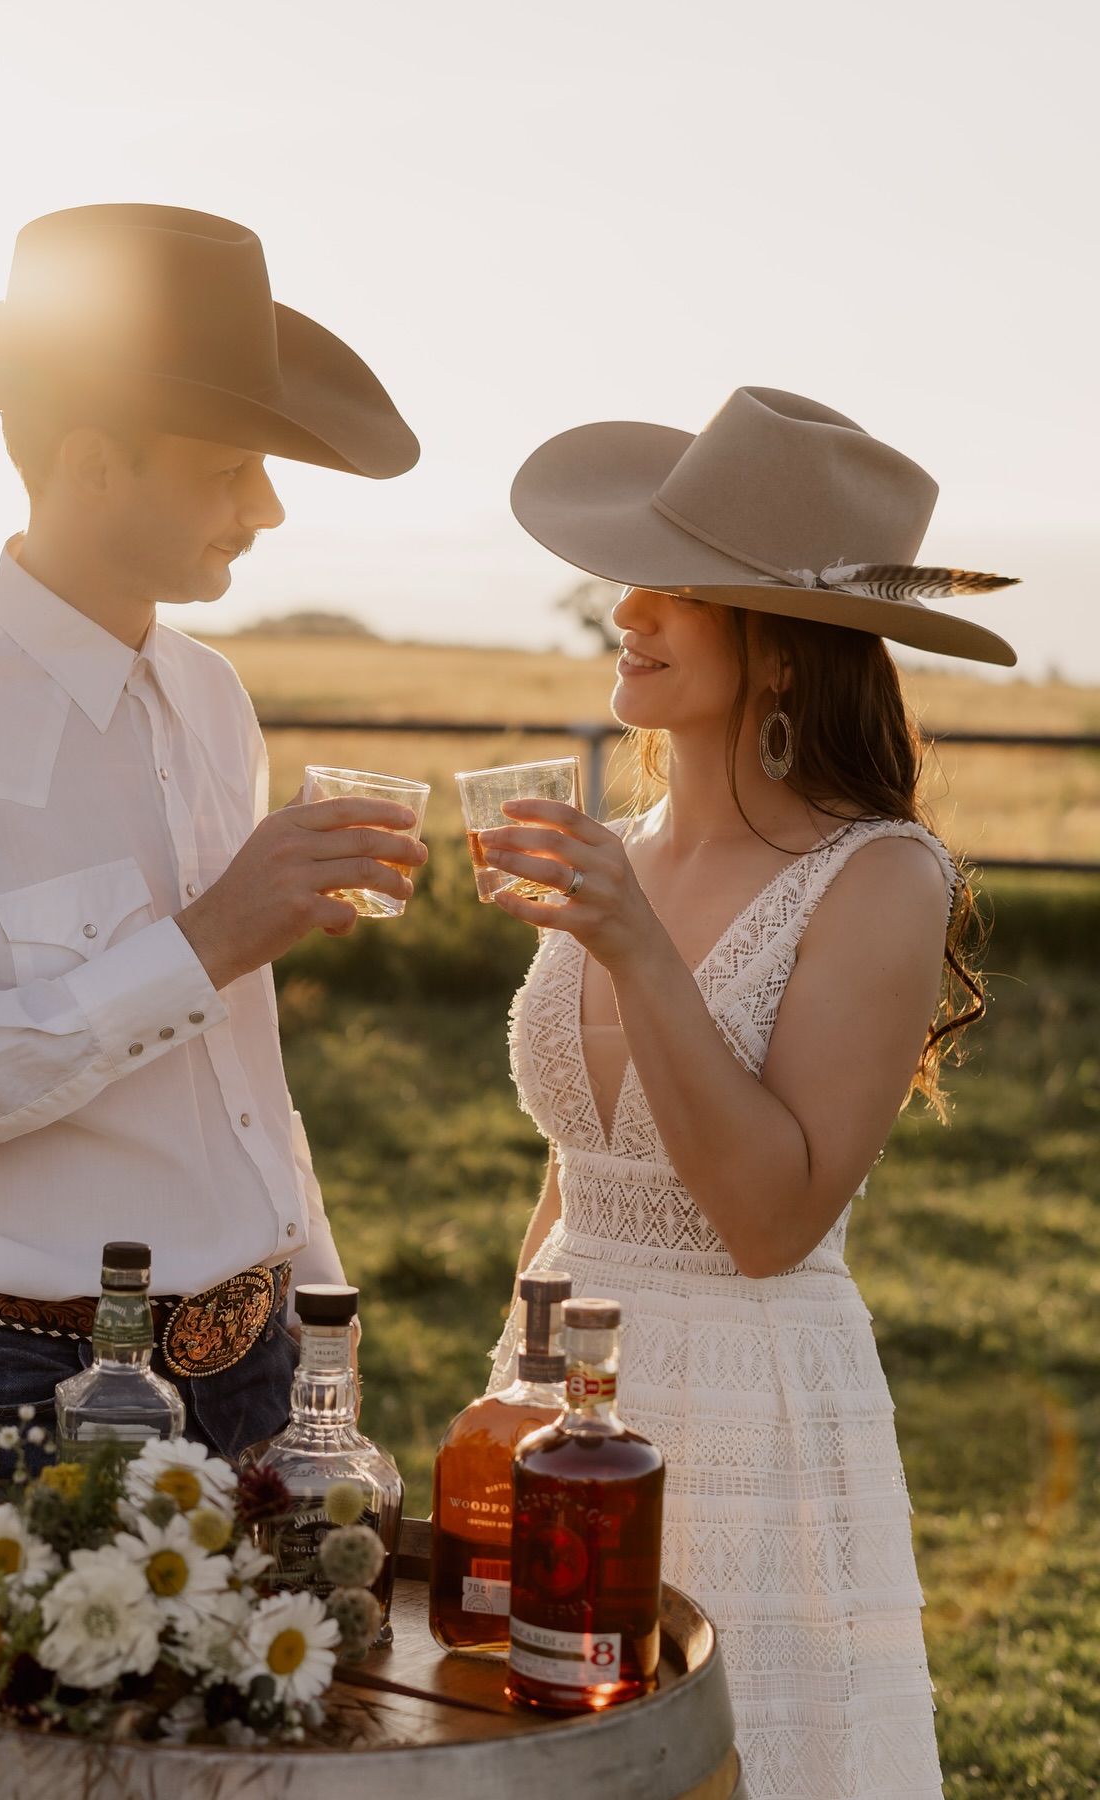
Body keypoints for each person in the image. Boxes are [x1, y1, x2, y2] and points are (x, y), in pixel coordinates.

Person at [0, 205, 424, 1511]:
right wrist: (203, 942)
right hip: (22, 1403)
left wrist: (321, 1345)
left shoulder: (211, 696)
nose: (270, 508)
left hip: (262, 1376)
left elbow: (235, 1071)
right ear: (90, 462)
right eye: (229, 467)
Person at [480, 387, 1018, 1800]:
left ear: (782, 652)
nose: (625, 615)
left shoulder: (881, 876)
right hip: (553, 1394)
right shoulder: (616, 847)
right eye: (635, 583)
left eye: (680, 594)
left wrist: (634, 947)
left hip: (747, 1412)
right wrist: (499, 1402)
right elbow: (569, 1178)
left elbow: (768, 1219)